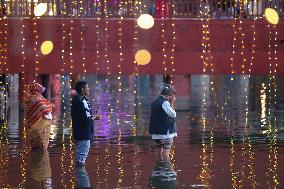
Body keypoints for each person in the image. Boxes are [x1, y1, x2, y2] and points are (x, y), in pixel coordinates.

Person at [71, 80, 100, 167]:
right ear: (83, 89)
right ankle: (81, 177)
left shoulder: (78, 100)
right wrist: (95, 117)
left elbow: (83, 116)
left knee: (79, 156)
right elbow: (86, 118)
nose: (89, 89)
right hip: (84, 134)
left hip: (79, 133)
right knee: (81, 160)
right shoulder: (81, 101)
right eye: (87, 88)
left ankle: (79, 178)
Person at [149, 84, 177, 162]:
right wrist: (172, 103)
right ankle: (166, 170)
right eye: (171, 96)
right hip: (165, 133)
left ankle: (158, 170)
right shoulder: (165, 103)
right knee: (166, 154)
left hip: (155, 133)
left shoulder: (154, 102)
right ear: (169, 95)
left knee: (158, 154)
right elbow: (173, 114)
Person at [24, 83, 53, 150]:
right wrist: (50, 106)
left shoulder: (28, 97)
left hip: (31, 121)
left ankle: (35, 155)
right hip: (39, 122)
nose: (41, 92)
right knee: (40, 139)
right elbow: (43, 108)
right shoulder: (35, 98)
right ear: (36, 90)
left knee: (34, 139)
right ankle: (41, 156)